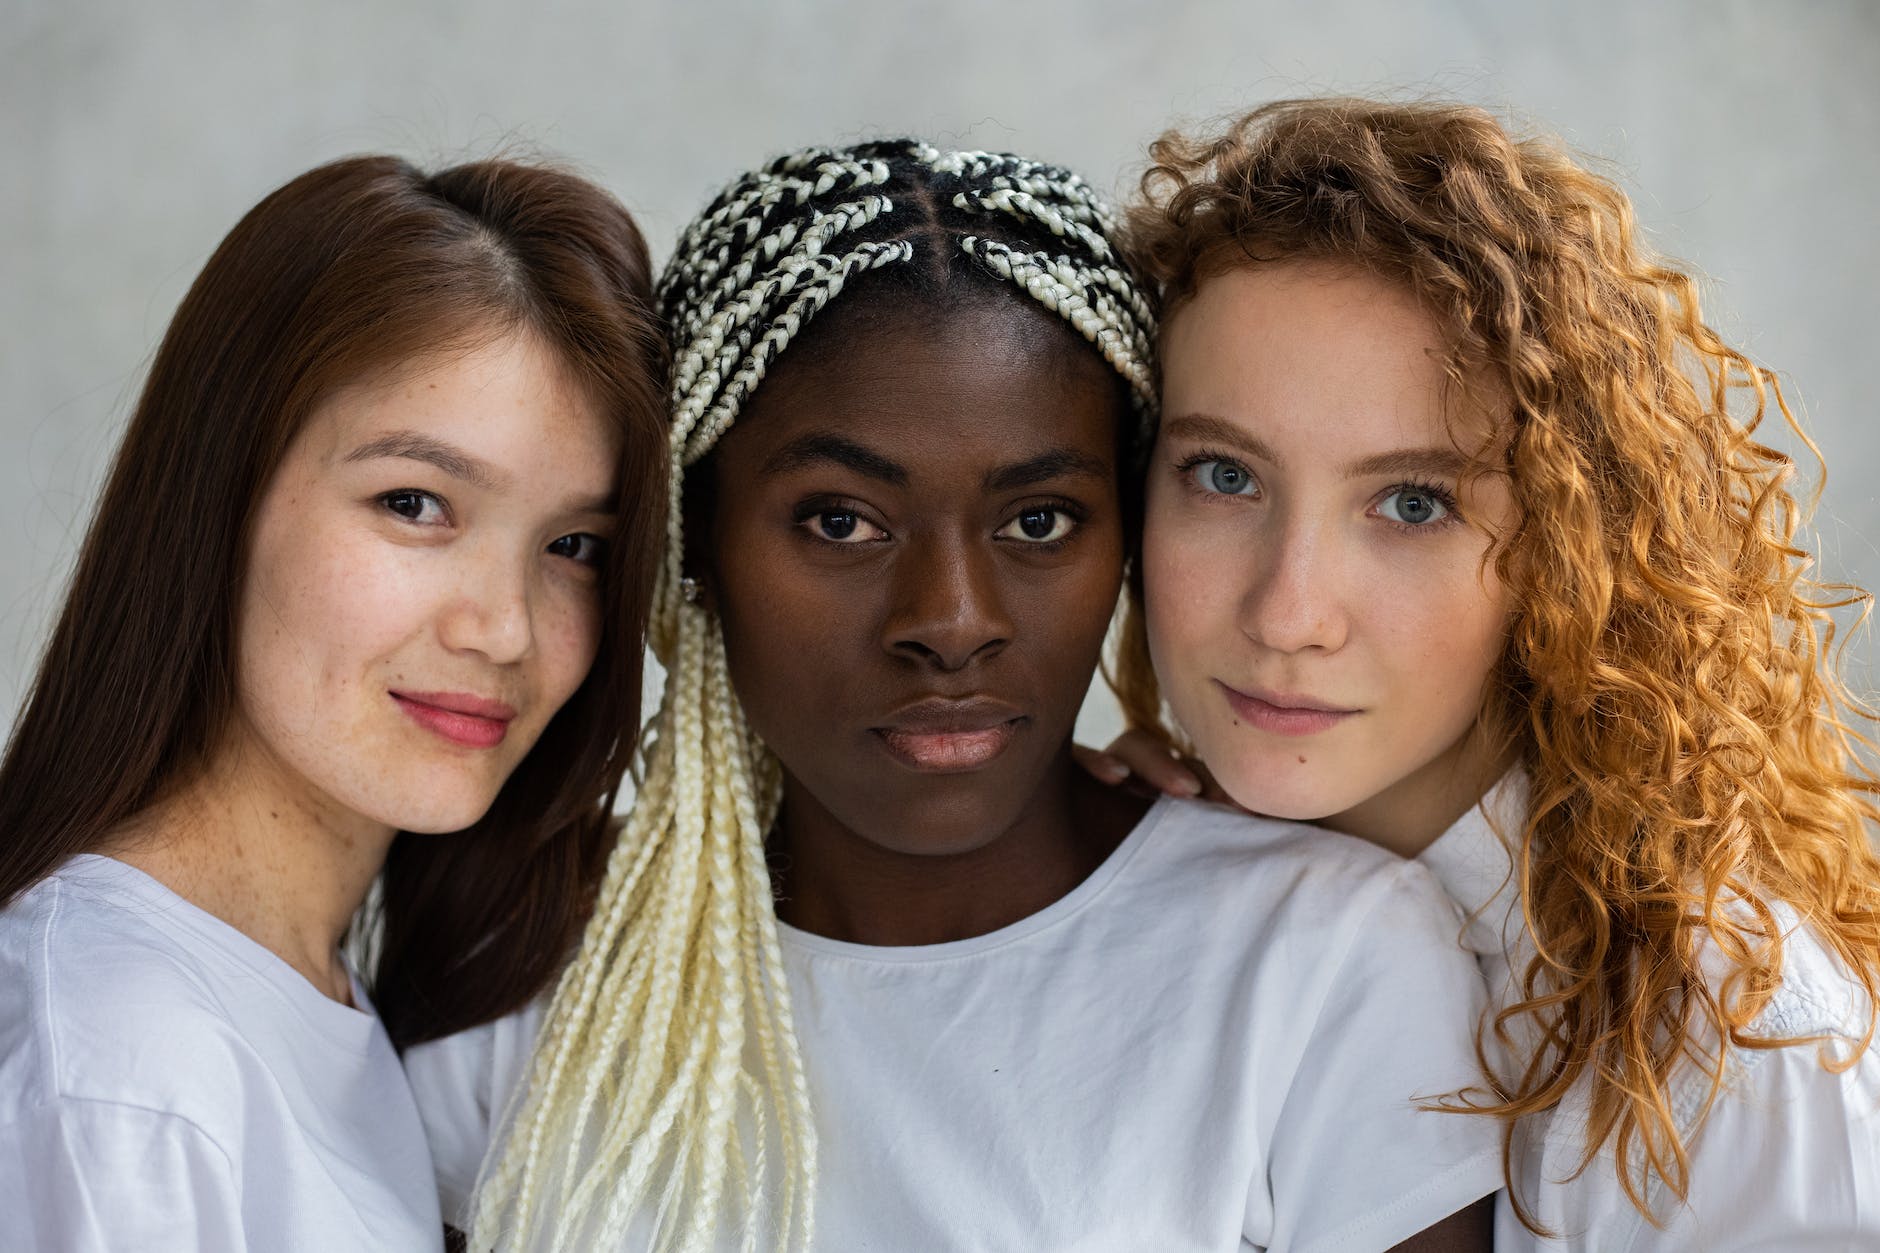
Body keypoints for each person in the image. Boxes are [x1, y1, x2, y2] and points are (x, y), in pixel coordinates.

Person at [405, 140, 1502, 1253]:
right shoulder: (531, 959)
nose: (950, 620)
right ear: (694, 541)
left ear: (1123, 537)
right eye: (840, 521)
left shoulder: (1319, 959)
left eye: (1037, 521)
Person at [1088, 98, 1880, 1249]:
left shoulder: (1726, 1043)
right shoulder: (1171, 880)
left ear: (1567, 551)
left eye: (1411, 502)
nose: (1288, 610)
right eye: (1221, 475)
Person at [0, 154, 668, 1251]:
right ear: (221, 494)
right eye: (415, 503)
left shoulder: (310, 1000)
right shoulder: (123, 1079)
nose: (501, 626)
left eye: (573, 545)